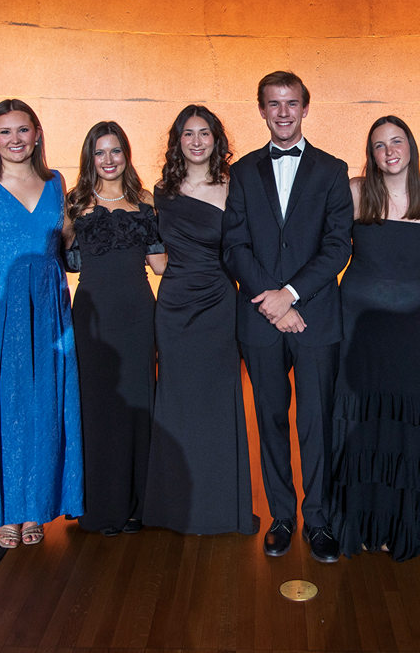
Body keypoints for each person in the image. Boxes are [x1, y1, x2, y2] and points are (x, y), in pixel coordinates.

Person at [222, 71, 353, 563]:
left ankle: (318, 520)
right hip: (260, 320)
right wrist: (272, 302)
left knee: (316, 423)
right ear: (261, 110)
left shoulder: (332, 170)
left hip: (316, 318)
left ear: (305, 107)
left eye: (291, 103)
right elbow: (234, 246)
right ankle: (282, 516)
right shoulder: (241, 172)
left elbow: (337, 246)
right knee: (270, 421)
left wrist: (292, 295)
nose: (282, 112)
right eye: (273, 104)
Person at [0, 99, 82, 548]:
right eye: (4, 132)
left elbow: (67, 240)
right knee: (1, 405)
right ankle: (6, 510)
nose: (15, 139)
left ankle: (34, 508)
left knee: (44, 404)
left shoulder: (56, 182)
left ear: (37, 133)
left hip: (47, 306)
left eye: (22, 130)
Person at [332, 115, 420, 561]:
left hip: (411, 328)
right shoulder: (354, 192)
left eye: (396, 141)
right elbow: (330, 247)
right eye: (379, 145)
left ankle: (403, 522)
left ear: (410, 146)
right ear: (371, 153)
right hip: (358, 324)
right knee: (361, 417)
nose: (389, 151)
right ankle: (360, 521)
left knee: (407, 418)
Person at [143, 105, 258, 535]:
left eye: (204, 133)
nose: (196, 141)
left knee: (216, 403)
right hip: (174, 306)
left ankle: (221, 508)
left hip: (219, 304)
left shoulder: (235, 187)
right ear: (177, 141)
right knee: (176, 403)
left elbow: (247, 249)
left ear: (216, 139)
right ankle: (173, 508)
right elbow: (155, 255)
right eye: (188, 133)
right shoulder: (161, 191)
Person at [65, 121, 166, 536]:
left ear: (126, 154)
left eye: (115, 151)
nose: (108, 160)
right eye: (100, 152)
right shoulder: (74, 203)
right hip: (93, 319)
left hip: (138, 316)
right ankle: (102, 506)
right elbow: (63, 260)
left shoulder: (146, 201)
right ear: (90, 158)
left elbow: (160, 264)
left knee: (139, 406)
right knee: (98, 409)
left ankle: (139, 505)